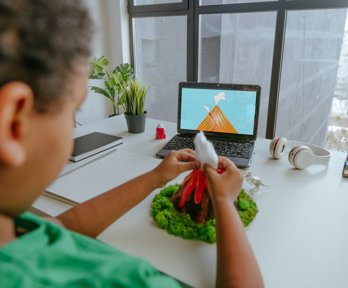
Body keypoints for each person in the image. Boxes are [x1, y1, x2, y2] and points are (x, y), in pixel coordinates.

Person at [0, 0, 263, 287]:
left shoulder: (18, 230)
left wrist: (155, 177)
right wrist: (224, 201)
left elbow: (67, 226)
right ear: (14, 122)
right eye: (72, 109)